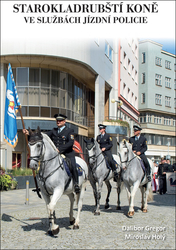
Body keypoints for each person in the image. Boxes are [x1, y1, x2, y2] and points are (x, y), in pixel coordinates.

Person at [23, 113, 80, 194]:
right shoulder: (54, 131)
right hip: (55, 154)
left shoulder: (69, 131)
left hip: (67, 153)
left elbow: (70, 143)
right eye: (57, 120)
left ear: (64, 121)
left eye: (60, 120)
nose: (58, 122)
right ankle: (42, 185)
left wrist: (59, 149)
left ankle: (76, 184)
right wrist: (28, 133)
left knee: (73, 166)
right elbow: (42, 136)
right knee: (44, 166)